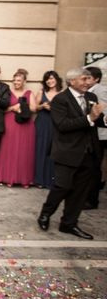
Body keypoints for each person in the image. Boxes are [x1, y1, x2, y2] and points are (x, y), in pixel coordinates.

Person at [37, 68, 106, 240]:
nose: (87, 82)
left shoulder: (91, 97)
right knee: (62, 187)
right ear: (72, 81)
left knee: (80, 192)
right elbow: (63, 125)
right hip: (67, 151)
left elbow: (96, 120)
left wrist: (102, 120)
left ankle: (68, 224)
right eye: (84, 79)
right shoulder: (60, 99)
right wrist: (90, 118)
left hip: (89, 152)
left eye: (88, 79)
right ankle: (45, 214)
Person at [0, 68, 37, 187]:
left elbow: (34, 108)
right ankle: (8, 178)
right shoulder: (8, 93)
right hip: (10, 123)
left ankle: (25, 179)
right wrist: (13, 108)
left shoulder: (29, 93)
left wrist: (23, 106)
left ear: (24, 81)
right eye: (14, 80)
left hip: (26, 125)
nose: (16, 83)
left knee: (25, 152)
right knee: (9, 150)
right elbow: (2, 109)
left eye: (19, 81)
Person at [34, 71, 63, 188]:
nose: (50, 81)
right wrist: (42, 106)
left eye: (52, 78)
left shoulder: (62, 93)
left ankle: (51, 180)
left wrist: (54, 109)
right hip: (42, 123)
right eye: (47, 79)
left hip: (56, 124)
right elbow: (34, 108)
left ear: (57, 79)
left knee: (53, 151)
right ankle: (39, 180)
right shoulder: (42, 92)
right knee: (41, 150)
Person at [85, 66, 107, 209]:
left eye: (88, 78)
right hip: (94, 133)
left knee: (94, 167)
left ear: (96, 79)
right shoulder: (90, 91)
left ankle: (92, 200)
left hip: (100, 134)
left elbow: (103, 111)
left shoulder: (101, 90)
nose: (86, 81)